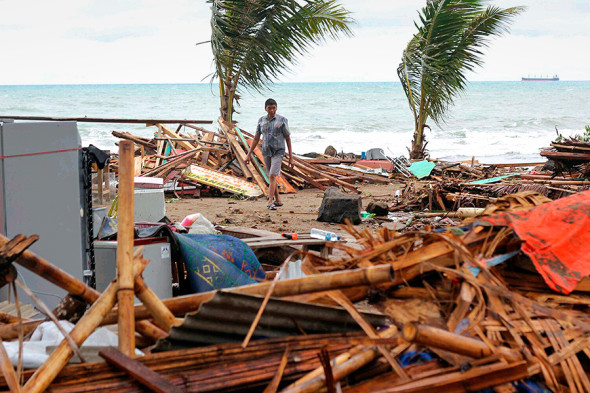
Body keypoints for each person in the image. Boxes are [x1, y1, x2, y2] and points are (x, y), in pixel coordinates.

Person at [245, 98, 293, 210]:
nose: (272, 110)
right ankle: (278, 200)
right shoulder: (261, 120)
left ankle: (270, 201)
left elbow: (288, 138)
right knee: (271, 177)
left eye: (274, 108)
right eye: (269, 108)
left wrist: (291, 157)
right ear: (265, 108)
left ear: (276, 108)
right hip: (266, 151)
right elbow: (256, 138)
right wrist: (248, 154)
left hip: (278, 151)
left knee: (272, 175)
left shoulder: (282, 120)